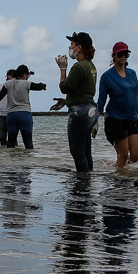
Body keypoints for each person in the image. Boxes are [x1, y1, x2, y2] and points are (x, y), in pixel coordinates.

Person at [96, 41, 138, 168]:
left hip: (132, 119)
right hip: (115, 121)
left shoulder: (132, 73)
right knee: (123, 156)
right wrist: (94, 122)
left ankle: (114, 167)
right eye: (120, 54)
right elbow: (101, 102)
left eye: (126, 53)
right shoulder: (107, 77)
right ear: (113, 56)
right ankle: (118, 183)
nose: (123, 56)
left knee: (137, 156)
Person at [54, 32, 99, 172]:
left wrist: (63, 70)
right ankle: (88, 181)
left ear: (79, 47)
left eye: (72, 44)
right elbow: (82, 91)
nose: (70, 47)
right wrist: (67, 101)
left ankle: (82, 186)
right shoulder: (91, 66)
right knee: (86, 151)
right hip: (90, 110)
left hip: (79, 112)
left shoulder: (78, 67)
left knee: (77, 152)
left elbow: (64, 87)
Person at [0, 66, 41, 148]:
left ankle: (11, 160)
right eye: (27, 75)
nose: (27, 77)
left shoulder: (8, 84)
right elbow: (39, 87)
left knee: (11, 143)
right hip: (24, 114)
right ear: (24, 74)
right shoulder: (26, 83)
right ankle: (29, 160)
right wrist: (43, 85)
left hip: (11, 115)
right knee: (28, 143)